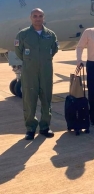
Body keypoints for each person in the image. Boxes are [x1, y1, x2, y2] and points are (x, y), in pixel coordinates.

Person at [14, 8, 58, 140]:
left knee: (46, 98)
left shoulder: (50, 34)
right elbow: (18, 51)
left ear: (43, 17)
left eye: (40, 16)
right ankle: (30, 128)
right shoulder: (23, 35)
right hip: (29, 71)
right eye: (35, 16)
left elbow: (54, 49)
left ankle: (45, 126)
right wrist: (30, 61)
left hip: (46, 70)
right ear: (31, 18)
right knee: (29, 99)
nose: (37, 18)